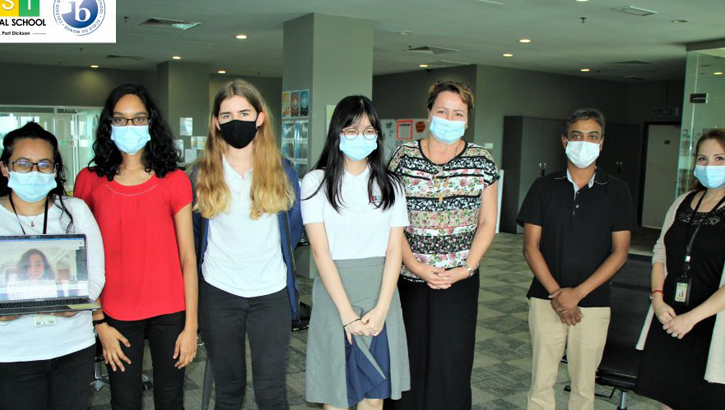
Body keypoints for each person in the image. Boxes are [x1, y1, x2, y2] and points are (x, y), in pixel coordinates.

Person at [0, 122, 105, 410]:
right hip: (9, 352)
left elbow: (95, 274)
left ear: (55, 169)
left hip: (72, 348)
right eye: (23, 163)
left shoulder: (76, 211)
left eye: (44, 164)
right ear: (5, 168)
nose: (34, 172)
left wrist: (73, 303)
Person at [73, 84, 198, 410]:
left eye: (138, 119)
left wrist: (191, 326)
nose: (130, 127)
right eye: (121, 119)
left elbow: (188, 257)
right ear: (108, 125)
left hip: (170, 310)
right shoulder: (89, 180)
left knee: (171, 400)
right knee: (125, 401)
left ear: (151, 123)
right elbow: (81, 257)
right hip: (116, 311)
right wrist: (98, 321)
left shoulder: (174, 179)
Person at [385, 81, 499, 410]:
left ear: (467, 119)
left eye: (458, 113)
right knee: (409, 357)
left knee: (452, 361)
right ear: (429, 113)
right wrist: (417, 267)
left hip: (460, 281)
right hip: (409, 279)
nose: (449, 119)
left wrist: (466, 268)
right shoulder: (403, 157)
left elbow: (488, 222)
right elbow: (394, 224)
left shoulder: (481, 160)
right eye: (442, 111)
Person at [190, 79, 302, 410]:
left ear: (260, 117)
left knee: (271, 391)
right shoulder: (199, 175)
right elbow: (195, 235)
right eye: (226, 115)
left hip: (270, 294)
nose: (235, 121)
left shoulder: (282, 171)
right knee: (229, 389)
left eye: (243, 112)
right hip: (219, 293)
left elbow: (291, 230)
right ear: (215, 123)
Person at [634, 128, 725, 410]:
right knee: (666, 401)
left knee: (699, 401)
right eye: (703, 159)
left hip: (710, 323)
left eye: (720, 158)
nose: (709, 166)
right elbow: (660, 253)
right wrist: (657, 300)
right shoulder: (682, 202)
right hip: (669, 317)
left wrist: (692, 318)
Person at [517, 108, 635, 410]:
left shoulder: (617, 191)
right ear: (564, 141)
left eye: (592, 136)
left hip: (593, 302)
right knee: (541, 381)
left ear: (602, 143)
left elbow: (620, 252)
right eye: (577, 136)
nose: (585, 143)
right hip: (546, 299)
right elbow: (531, 247)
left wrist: (577, 295)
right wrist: (558, 294)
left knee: (584, 386)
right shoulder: (544, 186)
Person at [302, 95, 411, 409]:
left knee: (373, 399)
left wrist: (382, 308)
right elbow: (321, 254)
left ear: (377, 136)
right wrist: (347, 315)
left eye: (368, 130)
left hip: (381, 294)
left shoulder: (392, 185)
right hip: (335, 296)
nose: (360, 137)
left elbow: (394, 251)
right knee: (336, 396)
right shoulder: (315, 183)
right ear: (337, 133)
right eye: (351, 130)